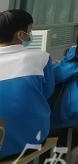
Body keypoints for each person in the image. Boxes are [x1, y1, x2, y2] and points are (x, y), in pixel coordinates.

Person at [0, 9, 55, 160]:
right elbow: (46, 93)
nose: (30, 34)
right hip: (29, 140)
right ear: (20, 35)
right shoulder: (41, 58)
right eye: (29, 31)